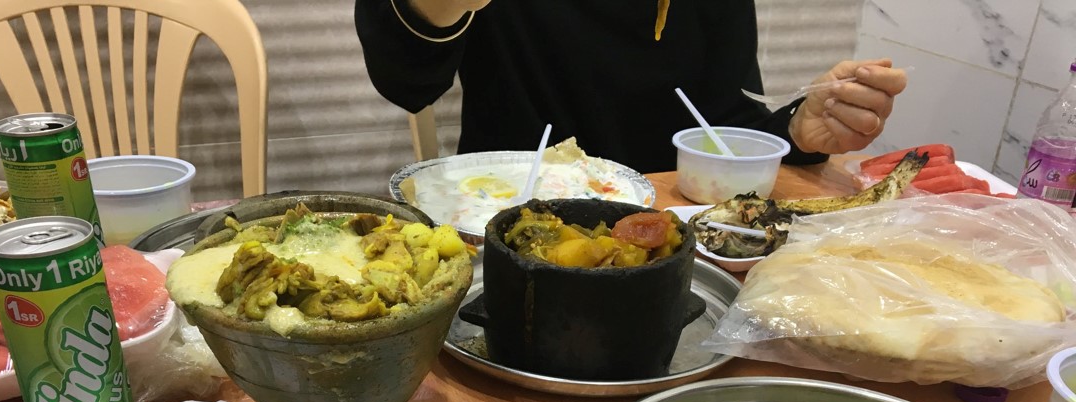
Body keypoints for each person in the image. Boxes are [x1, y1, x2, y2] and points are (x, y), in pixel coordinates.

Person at [355, 0, 908, 174]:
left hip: (673, 231)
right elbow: (407, 82)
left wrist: (795, 127)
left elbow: (715, 112)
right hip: (506, 220)